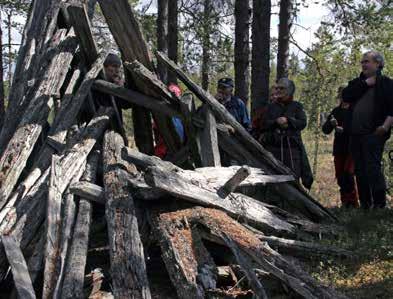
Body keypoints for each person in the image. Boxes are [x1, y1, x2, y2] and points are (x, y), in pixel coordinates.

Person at [342, 50, 393, 209]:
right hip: (355, 134)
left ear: (378, 64)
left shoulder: (387, 83)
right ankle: (365, 205)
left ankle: (379, 205)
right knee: (360, 170)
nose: (363, 64)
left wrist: (385, 126)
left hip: (374, 133)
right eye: (362, 62)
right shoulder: (356, 83)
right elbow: (346, 96)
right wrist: (365, 84)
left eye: (367, 61)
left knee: (373, 169)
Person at [262, 78, 313, 188]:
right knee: (273, 179)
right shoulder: (270, 107)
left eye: (282, 88)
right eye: (277, 88)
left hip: (291, 150)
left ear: (289, 90)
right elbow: (264, 124)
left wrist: (289, 121)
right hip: (273, 149)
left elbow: (302, 123)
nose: (278, 90)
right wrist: (276, 122)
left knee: (293, 178)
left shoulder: (297, 106)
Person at [322, 87, 359, 208]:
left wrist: (345, 130)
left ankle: (353, 203)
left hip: (352, 148)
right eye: (342, 94)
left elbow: (359, 129)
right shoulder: (336, 111)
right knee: (340, 176)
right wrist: (331, 123)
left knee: (348, 174)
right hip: (339, 148)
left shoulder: (355, 110)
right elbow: (325, 130)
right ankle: (345, 203)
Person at [78, 53, 132, 132]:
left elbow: (126, 105)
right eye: (114, 66)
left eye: (118, 67)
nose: (117, 70)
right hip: (93, 130)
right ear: (104, 68)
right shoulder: (93, 85)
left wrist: (121, 88)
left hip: (113, 130)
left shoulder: (116, 84)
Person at [153, 83, 185, 158]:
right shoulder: (180, 113)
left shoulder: (179, 114)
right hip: (172, 149)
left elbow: (156, 130)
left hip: (168, 150)